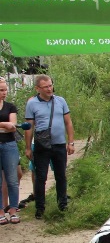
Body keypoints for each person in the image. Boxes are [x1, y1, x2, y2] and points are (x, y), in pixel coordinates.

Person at [24, 75, 75, 219]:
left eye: (50, 85)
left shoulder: (61, 101)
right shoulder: (32, 104)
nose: (49, 89)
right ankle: (40, 207)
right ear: (37, 88)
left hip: (59, 144)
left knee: (61, 176)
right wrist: (28, 147)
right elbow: (29, 127)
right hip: (42, 145)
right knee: (41, 177)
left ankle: (62, 204)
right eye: (45, 87)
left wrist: (70, 142)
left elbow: (68, 123)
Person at [0, 77, 22, 224]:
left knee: (12, 179)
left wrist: (7, 125)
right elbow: (7, 125)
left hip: (9, 144)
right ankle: (0, 210)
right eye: (1, 90)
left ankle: (13, 209)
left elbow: (13, 126)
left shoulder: (10, 107)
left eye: (5, 89)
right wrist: (3, 124)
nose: (4, 92)